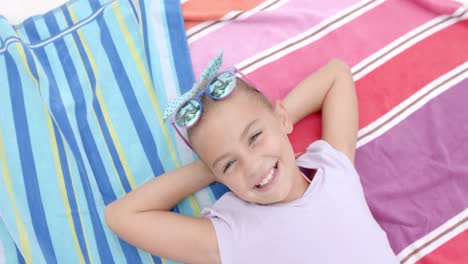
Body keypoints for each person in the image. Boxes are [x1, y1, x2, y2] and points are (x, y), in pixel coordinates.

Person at [105, 52, 399, 264]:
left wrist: (275, 121)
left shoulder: (333, 169)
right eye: (229, 164)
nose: (252, 165)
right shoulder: (234, 235)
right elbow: (121, 216)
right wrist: (210, 168)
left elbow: (336, 73)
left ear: (281, 118)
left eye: (255, 137)